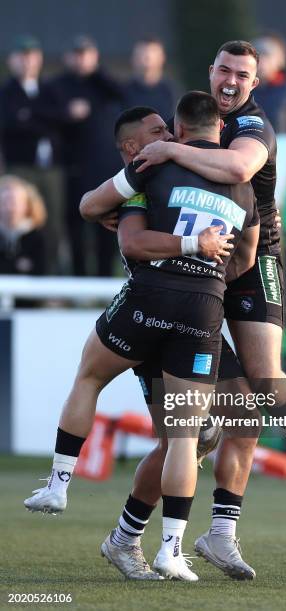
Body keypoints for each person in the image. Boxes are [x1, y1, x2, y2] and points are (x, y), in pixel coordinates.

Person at [24, 93, 259, 582]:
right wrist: (203, 250)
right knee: (193, 435)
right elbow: (245, 261)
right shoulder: (225, 180)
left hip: (161, 306)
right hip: (193, 309)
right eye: (158, 132)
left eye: (168, 128)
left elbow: (95, 210)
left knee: (208, 431)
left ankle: (120, 530)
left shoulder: (155, 171)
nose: (167, 137)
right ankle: (160, 540)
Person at [124, 40, 286, 577]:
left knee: (254, 391)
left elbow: (240, 167)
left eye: (243, 74)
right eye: (225, 71)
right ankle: (128, 536)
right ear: (210, 73)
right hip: (187, 288)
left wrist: (170, 154)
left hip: (250, 263)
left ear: (255, 85)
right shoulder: (181, 127)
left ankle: (234, 521)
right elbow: (115, 195)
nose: (232, 81)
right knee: (189, 434)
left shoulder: (253, 126)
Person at [51, 35, 124, 276]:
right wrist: (67, 113)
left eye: (87, 55)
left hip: (104, 169)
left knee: (107, 228)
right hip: (73, 169)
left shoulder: (102, 84)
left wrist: (96, 71)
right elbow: (49, 118)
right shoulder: (59, 85)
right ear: (68, 57)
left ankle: (103, 283)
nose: (82, 60)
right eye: (78, 55)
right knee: (75, 231)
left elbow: (121, 94)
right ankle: (78, 282)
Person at [0, 35, 66, 273]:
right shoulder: (7, 92)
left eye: (32, 56)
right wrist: (42, 120)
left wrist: (30, 116)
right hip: (21, 167)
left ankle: (51, 276)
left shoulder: (50, 89)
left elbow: (62, 119)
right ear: (12, 61)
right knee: (18, 220)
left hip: (51, 169)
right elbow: (11, 123)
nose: (27, 62)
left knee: (53, 225)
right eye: (22, 57)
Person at [251, 32, 286, 133]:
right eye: (257, 55)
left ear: (280, 60)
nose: (261, 61)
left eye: (267, 55)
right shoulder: (244, 90)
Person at [0, 174, 47, 275]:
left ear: (27, 205)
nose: (10, 208)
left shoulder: (36, 236)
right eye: (5, 202)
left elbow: (41, 269)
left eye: (15, 202)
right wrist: (16, 265)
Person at [124, 37, 177, 122]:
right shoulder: (122, 93)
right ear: (133, 59)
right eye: (141, 55)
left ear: (162, 58)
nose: (146, 60)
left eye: (151, 55)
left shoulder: (173, 93)